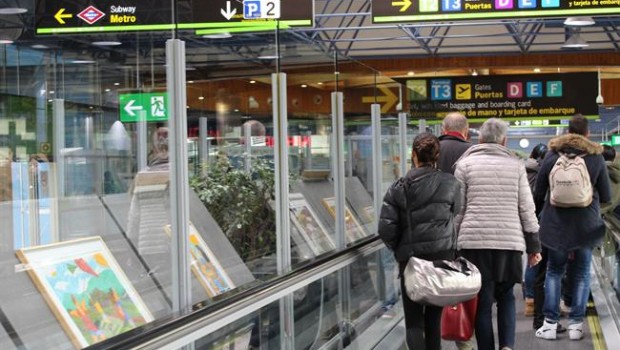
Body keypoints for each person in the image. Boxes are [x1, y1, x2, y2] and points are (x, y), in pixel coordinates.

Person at [454, 118, 542, 350]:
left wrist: (453, 243)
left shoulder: (464, 165)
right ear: (504, 140)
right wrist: (534, 246)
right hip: (509, 244)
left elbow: (457, 209)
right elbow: (527, 208)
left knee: (482, 302)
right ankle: (507, 347)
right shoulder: (516, 166)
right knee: (506, 297)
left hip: (473, 244)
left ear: (480, 139)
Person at [379, 132, 462, 350]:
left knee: (414, 320)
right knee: (433, 318)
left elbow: (386, 228)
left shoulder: (399, 187)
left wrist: (399, 249)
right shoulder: (451, 183)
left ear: (413, 155)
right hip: (441, 258)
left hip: (412, 260)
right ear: (436, 155)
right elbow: (456, 211)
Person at [534, 114, 611, 341]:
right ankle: (576, 325)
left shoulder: (552, 155)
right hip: (586, 226)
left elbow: (538, 192)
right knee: (581, 274)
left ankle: (550, 323)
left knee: (554, 272)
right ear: (587, 133)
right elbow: (606, 194)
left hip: (555, 225)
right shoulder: (595, 158)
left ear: (567, 131)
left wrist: (540, 215)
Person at [436, 111, 475, 350]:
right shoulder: (472, 151)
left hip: (435, 226)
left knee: (437, 278)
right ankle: (464, 339)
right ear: (466, 131)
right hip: (465, 224)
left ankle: (437, 329)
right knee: (464, 279)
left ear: (442, 128)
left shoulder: (432, 149)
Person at [523, 143, 547, 317]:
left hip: (525, 218)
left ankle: (529, 300)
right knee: (539, 260)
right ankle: (536, 299)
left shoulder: (523, 169)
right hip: (540, 218)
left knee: (531, 260)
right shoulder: (542, 171)